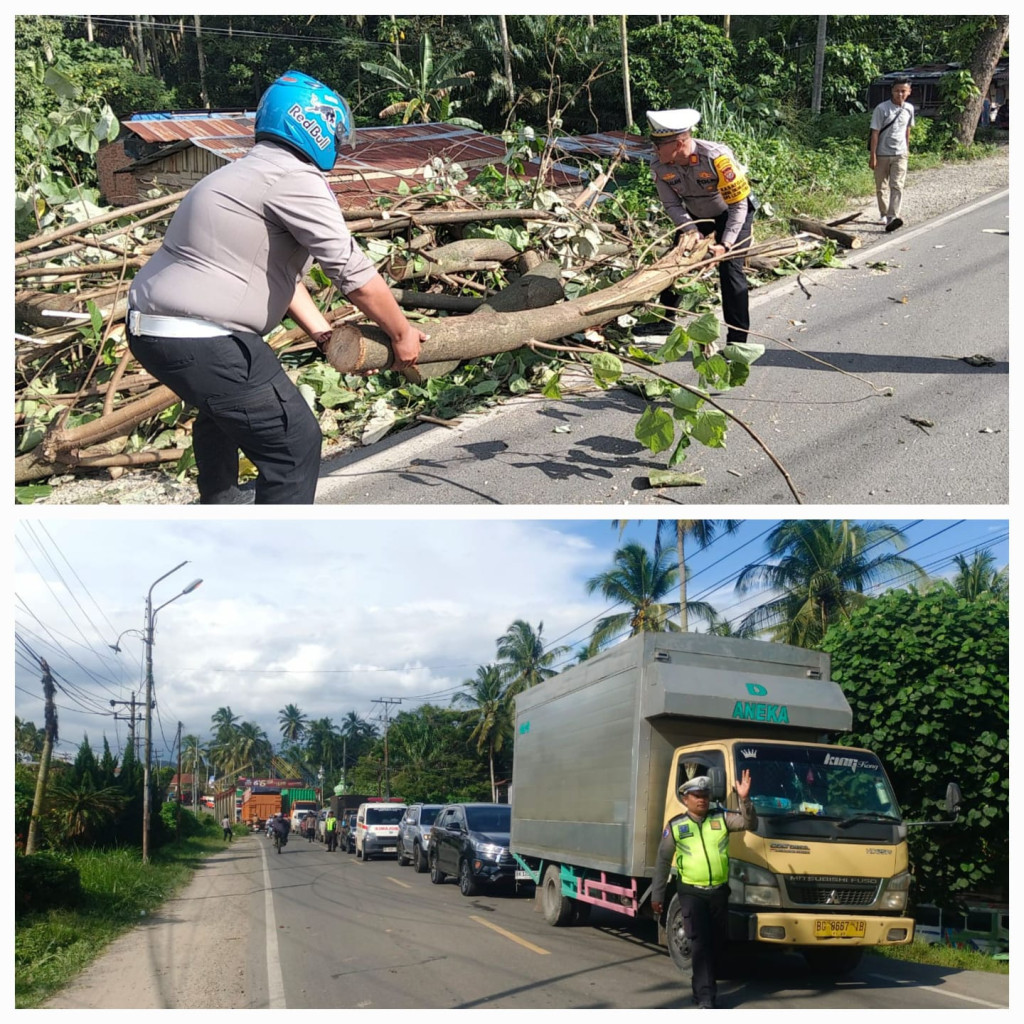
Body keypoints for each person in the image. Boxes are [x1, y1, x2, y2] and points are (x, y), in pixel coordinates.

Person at [126, 70, 428, 505]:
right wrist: (401, 334)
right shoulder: (293, 177)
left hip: (154, 333)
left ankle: (222, 506)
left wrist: (325, 337)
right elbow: (351, 270)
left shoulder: (243, 173)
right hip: (203, 338)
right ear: (313, 126)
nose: (340, 147)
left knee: (222, 416)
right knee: (295, 445)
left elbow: (280, 279)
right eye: (337, 136)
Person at [645, 108, 756, 345]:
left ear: (678, 144)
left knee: (730, 271)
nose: (653, 150)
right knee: (674, 261)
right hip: (695, 218)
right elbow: (671, 204)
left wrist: (725, 245)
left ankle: (737, 341)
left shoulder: (716, 158)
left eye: (657, 144)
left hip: (732, 214)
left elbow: (738, 206)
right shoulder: (659, 164)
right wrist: (690, 231)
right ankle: (667, 320)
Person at [651, 772, 757, 1009]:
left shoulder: (721, 819)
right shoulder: (676, 826)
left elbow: (750, 823)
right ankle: (707, 998)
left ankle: (700, 992)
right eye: (697, 795)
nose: (702, 799)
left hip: (718, 893)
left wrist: (745, 799)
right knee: (700, 944)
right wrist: (657, 896)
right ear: (685, 798)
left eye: (705, 795)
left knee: (716, 945)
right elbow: (662, 861)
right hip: (691, 893)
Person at [869, 80, 915, 233]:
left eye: (903, 91)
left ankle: (892, 216)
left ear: (909, 92)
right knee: (881, 187)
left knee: (897, 185)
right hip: (882, 153)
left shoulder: (909, 109)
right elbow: (875, 133)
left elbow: (907, 129)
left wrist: (907, 149)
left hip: (900, 154)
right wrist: (873, 156)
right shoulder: (881, 109)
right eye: (897, 91)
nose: (900, 94)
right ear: (892, 91)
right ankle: (883, 213)